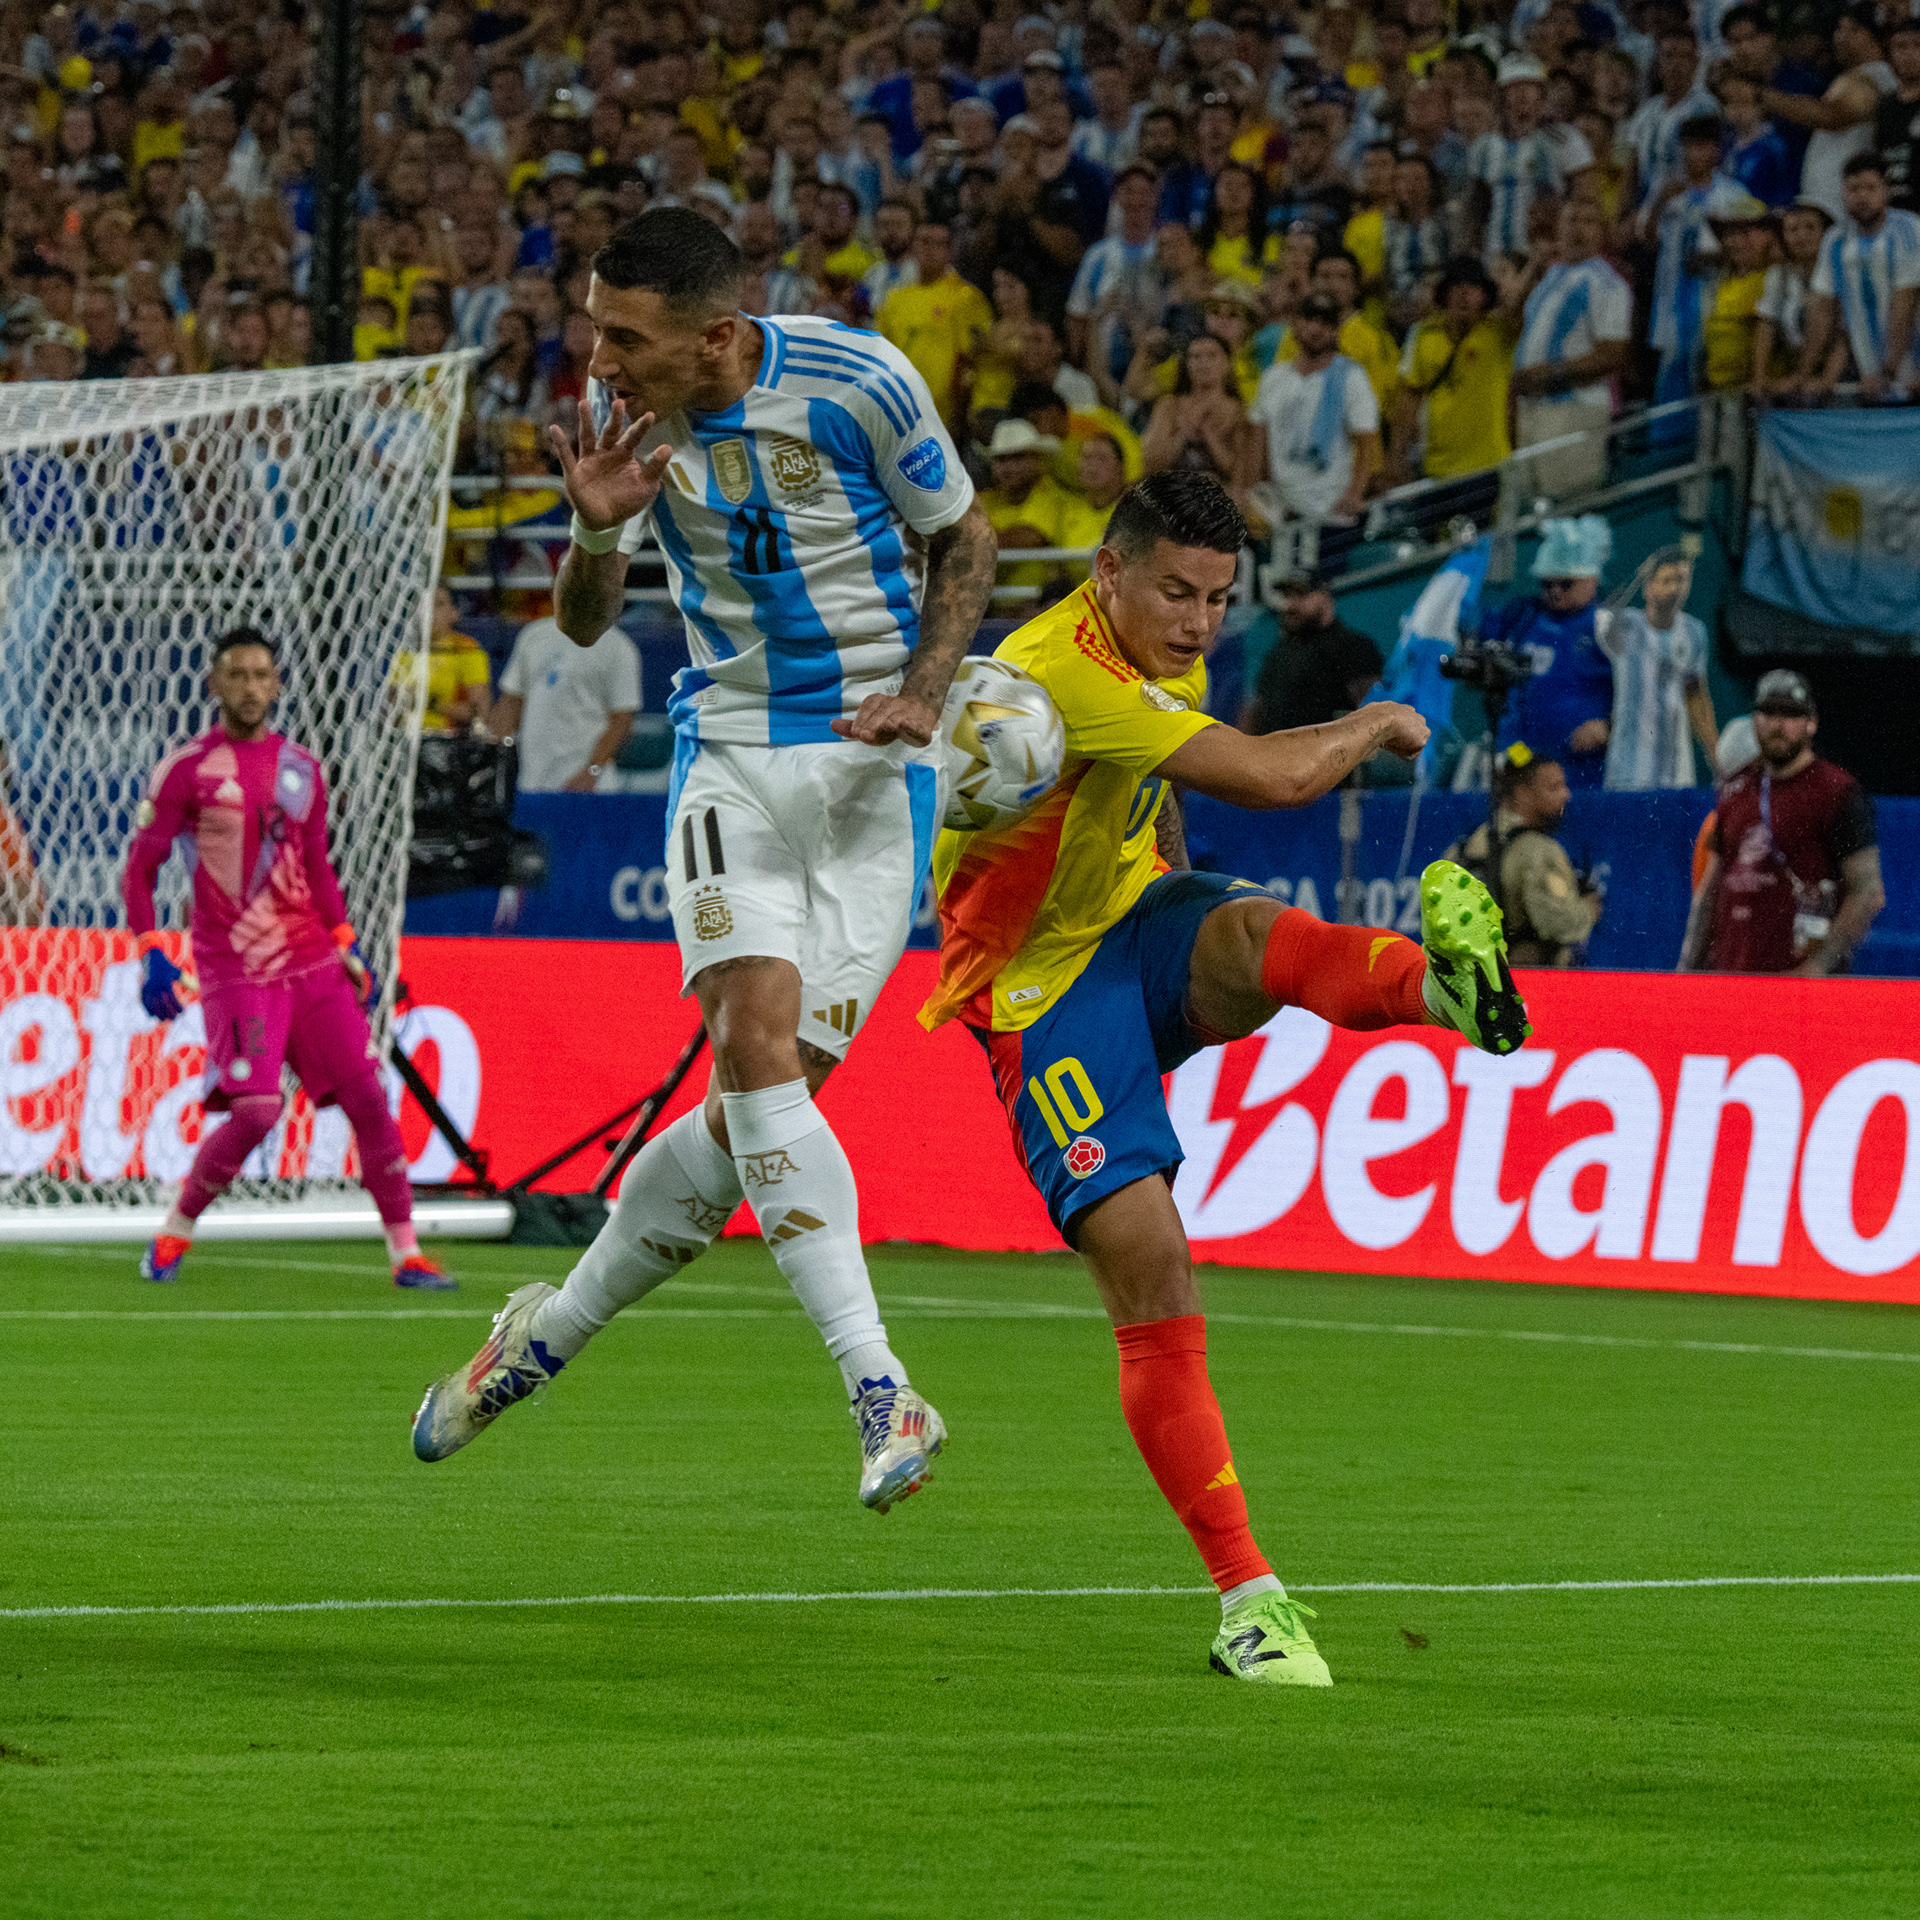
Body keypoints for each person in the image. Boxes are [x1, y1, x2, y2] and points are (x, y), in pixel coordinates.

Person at [412, 210, 999, 1513]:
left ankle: (544, 1336)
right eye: (591, 329)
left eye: (626, 336)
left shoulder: (859, 383)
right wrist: (600, 533)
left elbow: (966, 542)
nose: (599, 359)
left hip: (872, 771)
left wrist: (924, 689)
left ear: (719, 336)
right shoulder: (624, 421)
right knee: (754, 1044)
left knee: (755, 1122)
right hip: (729, 749)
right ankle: (880, 1385)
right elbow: (579, 624)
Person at [918, 472, 1531, 1687]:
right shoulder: (1067, 672)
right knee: (1153, 1265)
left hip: (1130, 923)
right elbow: (1274, 778)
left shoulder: (1156, 649)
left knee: (1252, 932)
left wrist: (1178, 899)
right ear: (1110, 572)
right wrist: (1381, 721)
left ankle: (1443, 992)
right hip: (1034, 990)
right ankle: (1250, 1600)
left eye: (1218, 598)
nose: (1199, 622)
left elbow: (1160, 795)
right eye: (1177, 593)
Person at [123, 628, 452, 1292]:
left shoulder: (302, 768)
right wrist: (151, 952)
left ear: (277, 685)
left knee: (368, 1098)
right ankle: (174, 1231)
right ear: (214, 684)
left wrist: (345, 942)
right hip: (236, 967)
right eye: (237, 674)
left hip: (311, 963)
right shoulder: (187, 770)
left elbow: (318, 867)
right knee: (256, 1111)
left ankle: (407, 1254)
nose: (250, 686)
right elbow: (140, 870)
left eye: (261, 675)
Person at [1681, 670, 1885, 975]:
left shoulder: (1836, 791)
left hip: (1800, 990)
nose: (1778, 725)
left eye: (1791, 714)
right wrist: (1686, 970)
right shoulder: (1736, 789)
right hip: (1730, 980)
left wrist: (1819, 966)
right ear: (1754, 720)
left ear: (1811, 722)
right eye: (1768, 713)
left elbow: (1868, 891)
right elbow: (1711, 889)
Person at [1508, 199, 1632, 499]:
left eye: (1588, 221)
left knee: (1566, 510)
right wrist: (1536, 262)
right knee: (1529, 506)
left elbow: (1613, 354)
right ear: (1558, 229)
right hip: (1534, 407)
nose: (1578, 229)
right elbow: (1510, 311)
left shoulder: (1608, 284)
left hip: (1572, 407)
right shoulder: (1552, 276)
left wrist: (1550, 373)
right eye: (1571, 220)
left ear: (1601, 232)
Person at [1481, 516, 1616, 789]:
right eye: (1546, 584)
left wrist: (1609, 729)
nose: (1554, 591)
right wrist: (1513, 756)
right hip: (1526, 764)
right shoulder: (1524, 619)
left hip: (1584, 771)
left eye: (1566, 584)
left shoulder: (1609, 628)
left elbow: (1638, 695)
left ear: (1592, 578)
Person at [1239, 291, 1381, 540]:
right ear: (1296, 325)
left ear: (1335, 331)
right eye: (1309, 320)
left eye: (1325, 323)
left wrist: (1354, 495)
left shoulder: (1351, 377)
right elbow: (1255, 443)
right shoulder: (1274, 378)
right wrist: (1250, 495)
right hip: (1281, 512)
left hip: (1331, 511)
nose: (1315, 329)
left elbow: (1367, 443)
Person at [1447, 745, 1601, 966]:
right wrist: (1588, 909)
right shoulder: (1539, 851)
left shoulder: (1461, 848)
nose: (1566, 795)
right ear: (1522, 792)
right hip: (1527, 988)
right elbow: (1558, 925)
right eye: (1553, 787)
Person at [1799, 154, 1920, 399]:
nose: (1862, 196)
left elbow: (1905, 301)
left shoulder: (1909, 228)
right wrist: (1803, 375)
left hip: (1907, 372)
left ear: (1885, 191)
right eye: (1854, 189)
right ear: (1843, 193)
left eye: (1870, 188)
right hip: (1873, 379)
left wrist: (1890, 369)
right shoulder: (1835, 240)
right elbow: (1821, 310)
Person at [1597, 546, 1718, 790]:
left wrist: (1714, 753)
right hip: (1628, 766)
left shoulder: (1695, 631)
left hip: (1676, 765)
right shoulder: (1625, 624)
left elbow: (1695, 694)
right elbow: (1606, 610)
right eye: (1667, 580)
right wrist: (1637, 575)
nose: (1675, 589)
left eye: (1682, 580)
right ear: (1648, 586)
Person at [1387, 258, 1513, 487]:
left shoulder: (1499, 333)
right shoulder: (1424, 335)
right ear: (1444, 294)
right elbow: (1408, 400)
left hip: (1488, 463)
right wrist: (1396, 458)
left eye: (1473, 287)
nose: (1464, 293)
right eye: (1456, 285)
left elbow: (1516, 307)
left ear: (1485, 296)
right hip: (1438, 467)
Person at [491, 613, 638, 792]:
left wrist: (592, 771)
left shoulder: (617, 645)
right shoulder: (533, 634)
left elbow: (622, 721)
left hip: (589, 787)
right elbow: (511, 702)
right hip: (531, 782)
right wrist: (500, 762)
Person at [876, 220, 994, 429]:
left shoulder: (965, 297)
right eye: (924, 242)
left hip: (945, 416)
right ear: (913, 248)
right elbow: (883, 356)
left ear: (950, 252)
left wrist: (959, 416)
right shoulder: (895, 299)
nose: (930, 250)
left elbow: (969, 360)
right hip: (902, 412)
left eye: (939, 244)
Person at [1241, 571, 1385, 734]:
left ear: (1325, 595)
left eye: (1300, 595)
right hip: (1275, 756)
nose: (1290, 605)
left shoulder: (1351, 646)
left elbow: (1373, 714)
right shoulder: (1279, 652)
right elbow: (1256, 709)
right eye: (1287, 596)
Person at [1140, 333, 1245, 480]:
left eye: (1212, 355)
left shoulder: (1238, 411)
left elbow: (1241, 473)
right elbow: (1151, 464)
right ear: (1186, 364)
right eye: (1195, 357)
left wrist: (1210, 435)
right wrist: (1183, 433)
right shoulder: (1169, 406)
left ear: (1227, 363)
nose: (1203, 362)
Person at [394, 584, 493, 735]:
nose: (429, 612)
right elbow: (391, 707)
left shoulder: (466, 651)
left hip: (447, 740)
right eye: (423, 605)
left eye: (438, 604)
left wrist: (429, 701)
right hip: (407, 737)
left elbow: (479, 712)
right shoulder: (405, 652)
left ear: (454, 612)